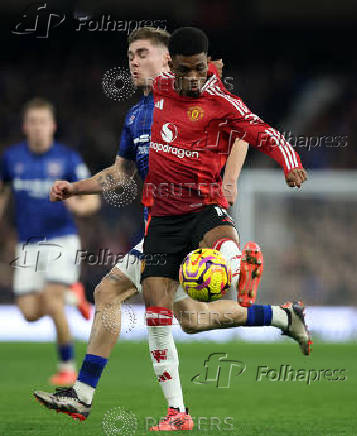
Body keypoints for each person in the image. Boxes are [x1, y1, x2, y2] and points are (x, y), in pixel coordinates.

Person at [33, 27, 265, 421]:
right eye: (130, 55)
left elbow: (244, 127)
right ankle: (280, 314)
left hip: (194, 220)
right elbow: (119, 175)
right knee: (188, 318)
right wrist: (75, 188)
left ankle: (93, 396)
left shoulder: (195, 92)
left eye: (142, 53)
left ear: (168, 60)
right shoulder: (137, 114)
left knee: (112, 294)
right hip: (159, 229)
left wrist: (230, 179)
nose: (134, 61)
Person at [138, 26, 310, 431]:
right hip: (163, 216)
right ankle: (177, 413)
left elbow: (261, 131)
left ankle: (241, 267)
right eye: (187, 70)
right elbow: (141, 65)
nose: (195, 77)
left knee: (224, 248)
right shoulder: (160, 86)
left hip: (204, 205)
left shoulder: (220, 100)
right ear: (172, 66)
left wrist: (290, 161)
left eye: (201, 68)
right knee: (159, 316)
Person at [0, 98, 100, 385]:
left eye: (43, 122)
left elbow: (90, 202)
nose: (38, 128)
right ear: (25, 126)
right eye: (33, 122)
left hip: (61, 240)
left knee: (53, 301)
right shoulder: (11, 158)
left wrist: (78, 206)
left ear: (53, 126)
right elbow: (3, 192)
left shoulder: (68, 159)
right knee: (29, 312)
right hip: (27, 243)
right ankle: (74, 296)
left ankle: (67, 366)